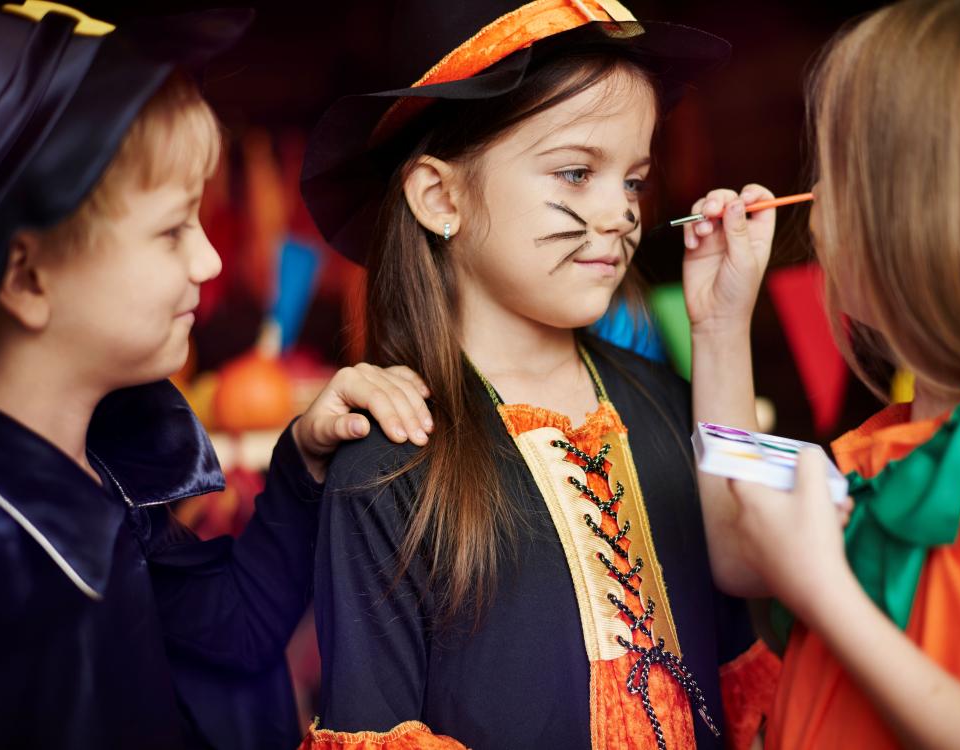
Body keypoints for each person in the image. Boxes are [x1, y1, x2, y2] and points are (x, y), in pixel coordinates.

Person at [298, 2, 782, 748]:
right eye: (577, 171)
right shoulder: (386, 461)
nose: (620, 214)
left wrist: (721, 329)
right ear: (440, 197)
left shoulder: (661, 400)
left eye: (632, 182)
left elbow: (755, 560)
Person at [0, 4, 433, 749]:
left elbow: (231, 630)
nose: (211, 262)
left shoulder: (108, 475)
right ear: (29, 277)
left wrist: (303, 461)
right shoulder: (10, 556)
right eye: (172, 230)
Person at [694, 0, 960, 747]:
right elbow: (738, 549)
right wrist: (720, 324)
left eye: (835, 173)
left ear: (918, 214)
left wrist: (824, 593)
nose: (815, 202)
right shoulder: (885, 446)